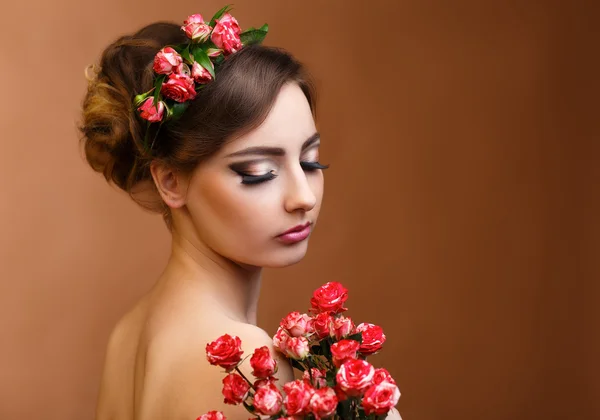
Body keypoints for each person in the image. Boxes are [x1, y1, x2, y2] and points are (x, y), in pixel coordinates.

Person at [80, 10, 401, 420]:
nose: (302, 197)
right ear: (171, 182)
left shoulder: (128, 337)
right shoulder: (242, 363)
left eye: (310, 162)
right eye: (258, 173)